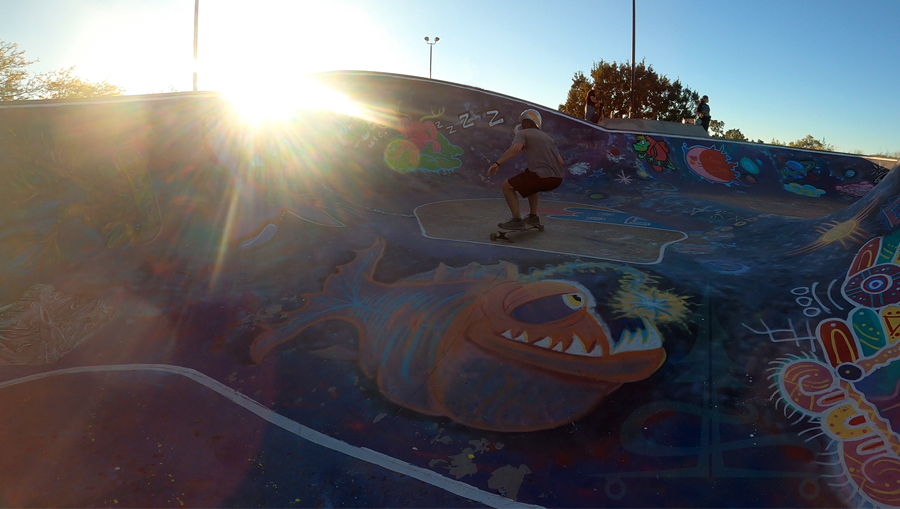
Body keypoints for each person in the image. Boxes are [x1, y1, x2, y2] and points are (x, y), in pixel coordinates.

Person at [486, 109, 564, 230]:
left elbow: (516, 148)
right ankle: (533, 217)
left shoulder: (523, 133)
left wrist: (498, 163)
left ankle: (517, 220)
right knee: (532, 182)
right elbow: (561, 161)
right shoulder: (548, 138)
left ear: (525, 123)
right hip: (557, 179)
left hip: (541, 177)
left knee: (507, 186)